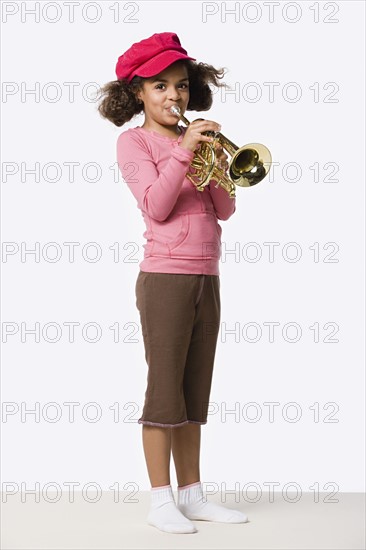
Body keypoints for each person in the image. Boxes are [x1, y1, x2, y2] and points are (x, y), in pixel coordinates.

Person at [96, 31, 248, 534]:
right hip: (164, 278)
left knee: (193, 391)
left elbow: (223, 211)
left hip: (208, 275)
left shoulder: (194, 145)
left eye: (181, 86)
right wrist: (184, 151)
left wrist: (220, 170)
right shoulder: (134, 141)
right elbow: (157, 207)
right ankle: (161, 500)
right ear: (136, 92)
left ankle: (193, 494)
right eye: (159, 86)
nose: (174, 96)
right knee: (165, 392)